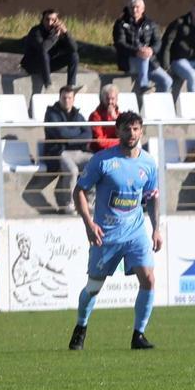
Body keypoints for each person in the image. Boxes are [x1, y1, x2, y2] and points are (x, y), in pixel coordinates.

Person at [67, 111, 162, 351]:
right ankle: (81, 326)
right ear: (117, 130)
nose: (131, 134)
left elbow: (152, 197)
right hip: (106, 235)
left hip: (136, 232)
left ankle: (138, 335)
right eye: (126, 129)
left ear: (141, 131)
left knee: (149, 279)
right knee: (93, 288)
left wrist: (156, 229)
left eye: (136, 129)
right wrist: (89, 224)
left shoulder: (148, 163)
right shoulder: (103, 160)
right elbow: (79, 191)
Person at [38, 86, 93, 214]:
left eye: (69, 98)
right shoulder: (51, 114)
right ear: (59, 98)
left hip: (77, 152)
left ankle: (90, 200)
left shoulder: (78, 116)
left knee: (94, 163)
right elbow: (61, 133)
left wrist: (69, 138)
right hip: (59, 152)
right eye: (64, 97)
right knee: (72, 171)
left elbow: (88, 135)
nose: (67, 100)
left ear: (73, 99)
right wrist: (76, 134)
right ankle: (70, 203)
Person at [113, 0, 173, 93]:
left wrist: (151, 50)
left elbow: (158, 42)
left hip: (150, 62)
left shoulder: (151, 24)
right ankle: (143, 85)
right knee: (143, 55)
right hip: (129, 60)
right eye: (132, 7)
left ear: (143, 9)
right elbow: (120, 44)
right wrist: (137, 52)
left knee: (167, 81)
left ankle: (154, 103)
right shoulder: (121, 24)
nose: (135, 10)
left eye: (137, 7)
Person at [20, 9, 80, 92]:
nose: (49, 23)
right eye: (47, 19)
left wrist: (66, 33)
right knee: (44, 54)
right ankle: (48, 85)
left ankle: (71, 86)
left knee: (74, 56)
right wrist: (55, 36)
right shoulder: (36, 31)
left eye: (53, 20)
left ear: (57, 21)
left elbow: (74, 48)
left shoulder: (58, 31)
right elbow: (43, 48)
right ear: (42, 20)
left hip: (48, 64)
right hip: (32, 65)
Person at [88, 85, 121, 153]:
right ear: (103, 99)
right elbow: (100, 142)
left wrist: (115, 119)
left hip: (118, 150)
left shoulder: (120, 115)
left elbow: (126, 135)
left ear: (117, 99)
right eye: (107, 99)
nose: (110, 102)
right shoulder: (95, 116)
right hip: (100, 152)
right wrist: (121, 142)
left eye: (112, 99)